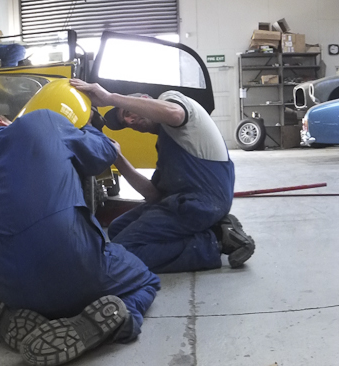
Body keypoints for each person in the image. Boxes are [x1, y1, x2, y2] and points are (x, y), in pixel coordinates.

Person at [0, 110, 161, 366]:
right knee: (147, 280)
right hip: (74, 264)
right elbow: (102, 154)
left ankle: (11, 313)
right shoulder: (39, 121)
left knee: (33, 279)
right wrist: (92, 127)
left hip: (8, 281)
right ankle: (120, 320)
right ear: (1, 121)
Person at [70, 79, 256, 273]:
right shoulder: (167, 145)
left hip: (203, 202)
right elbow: (154, 196)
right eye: (126, 124)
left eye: (127, 113)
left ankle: (216, 240)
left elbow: (174, 114)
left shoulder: (171, 100)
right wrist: (117, 158)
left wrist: (109, 98)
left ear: (143, 100)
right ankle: (218, 228)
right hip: (184, 203)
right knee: (117, 230)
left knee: (126, 250)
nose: (130, 122)